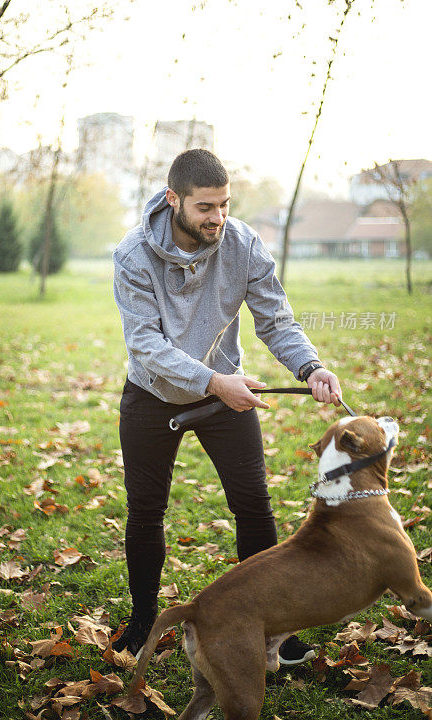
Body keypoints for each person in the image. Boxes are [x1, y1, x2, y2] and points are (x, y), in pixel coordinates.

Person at [112, 149, 341, 664]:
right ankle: (144, 619)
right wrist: (215, 381)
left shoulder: (241, 242)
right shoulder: (133, 255)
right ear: (174, 200)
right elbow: (146, 344)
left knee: (254, 506)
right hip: (153, 394)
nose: (217, 217)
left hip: (225, 393)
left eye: (224, 205)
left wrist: (311, 368)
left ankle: (272, 627)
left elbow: (275, 319)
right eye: (205, 208)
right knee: (146, 511)